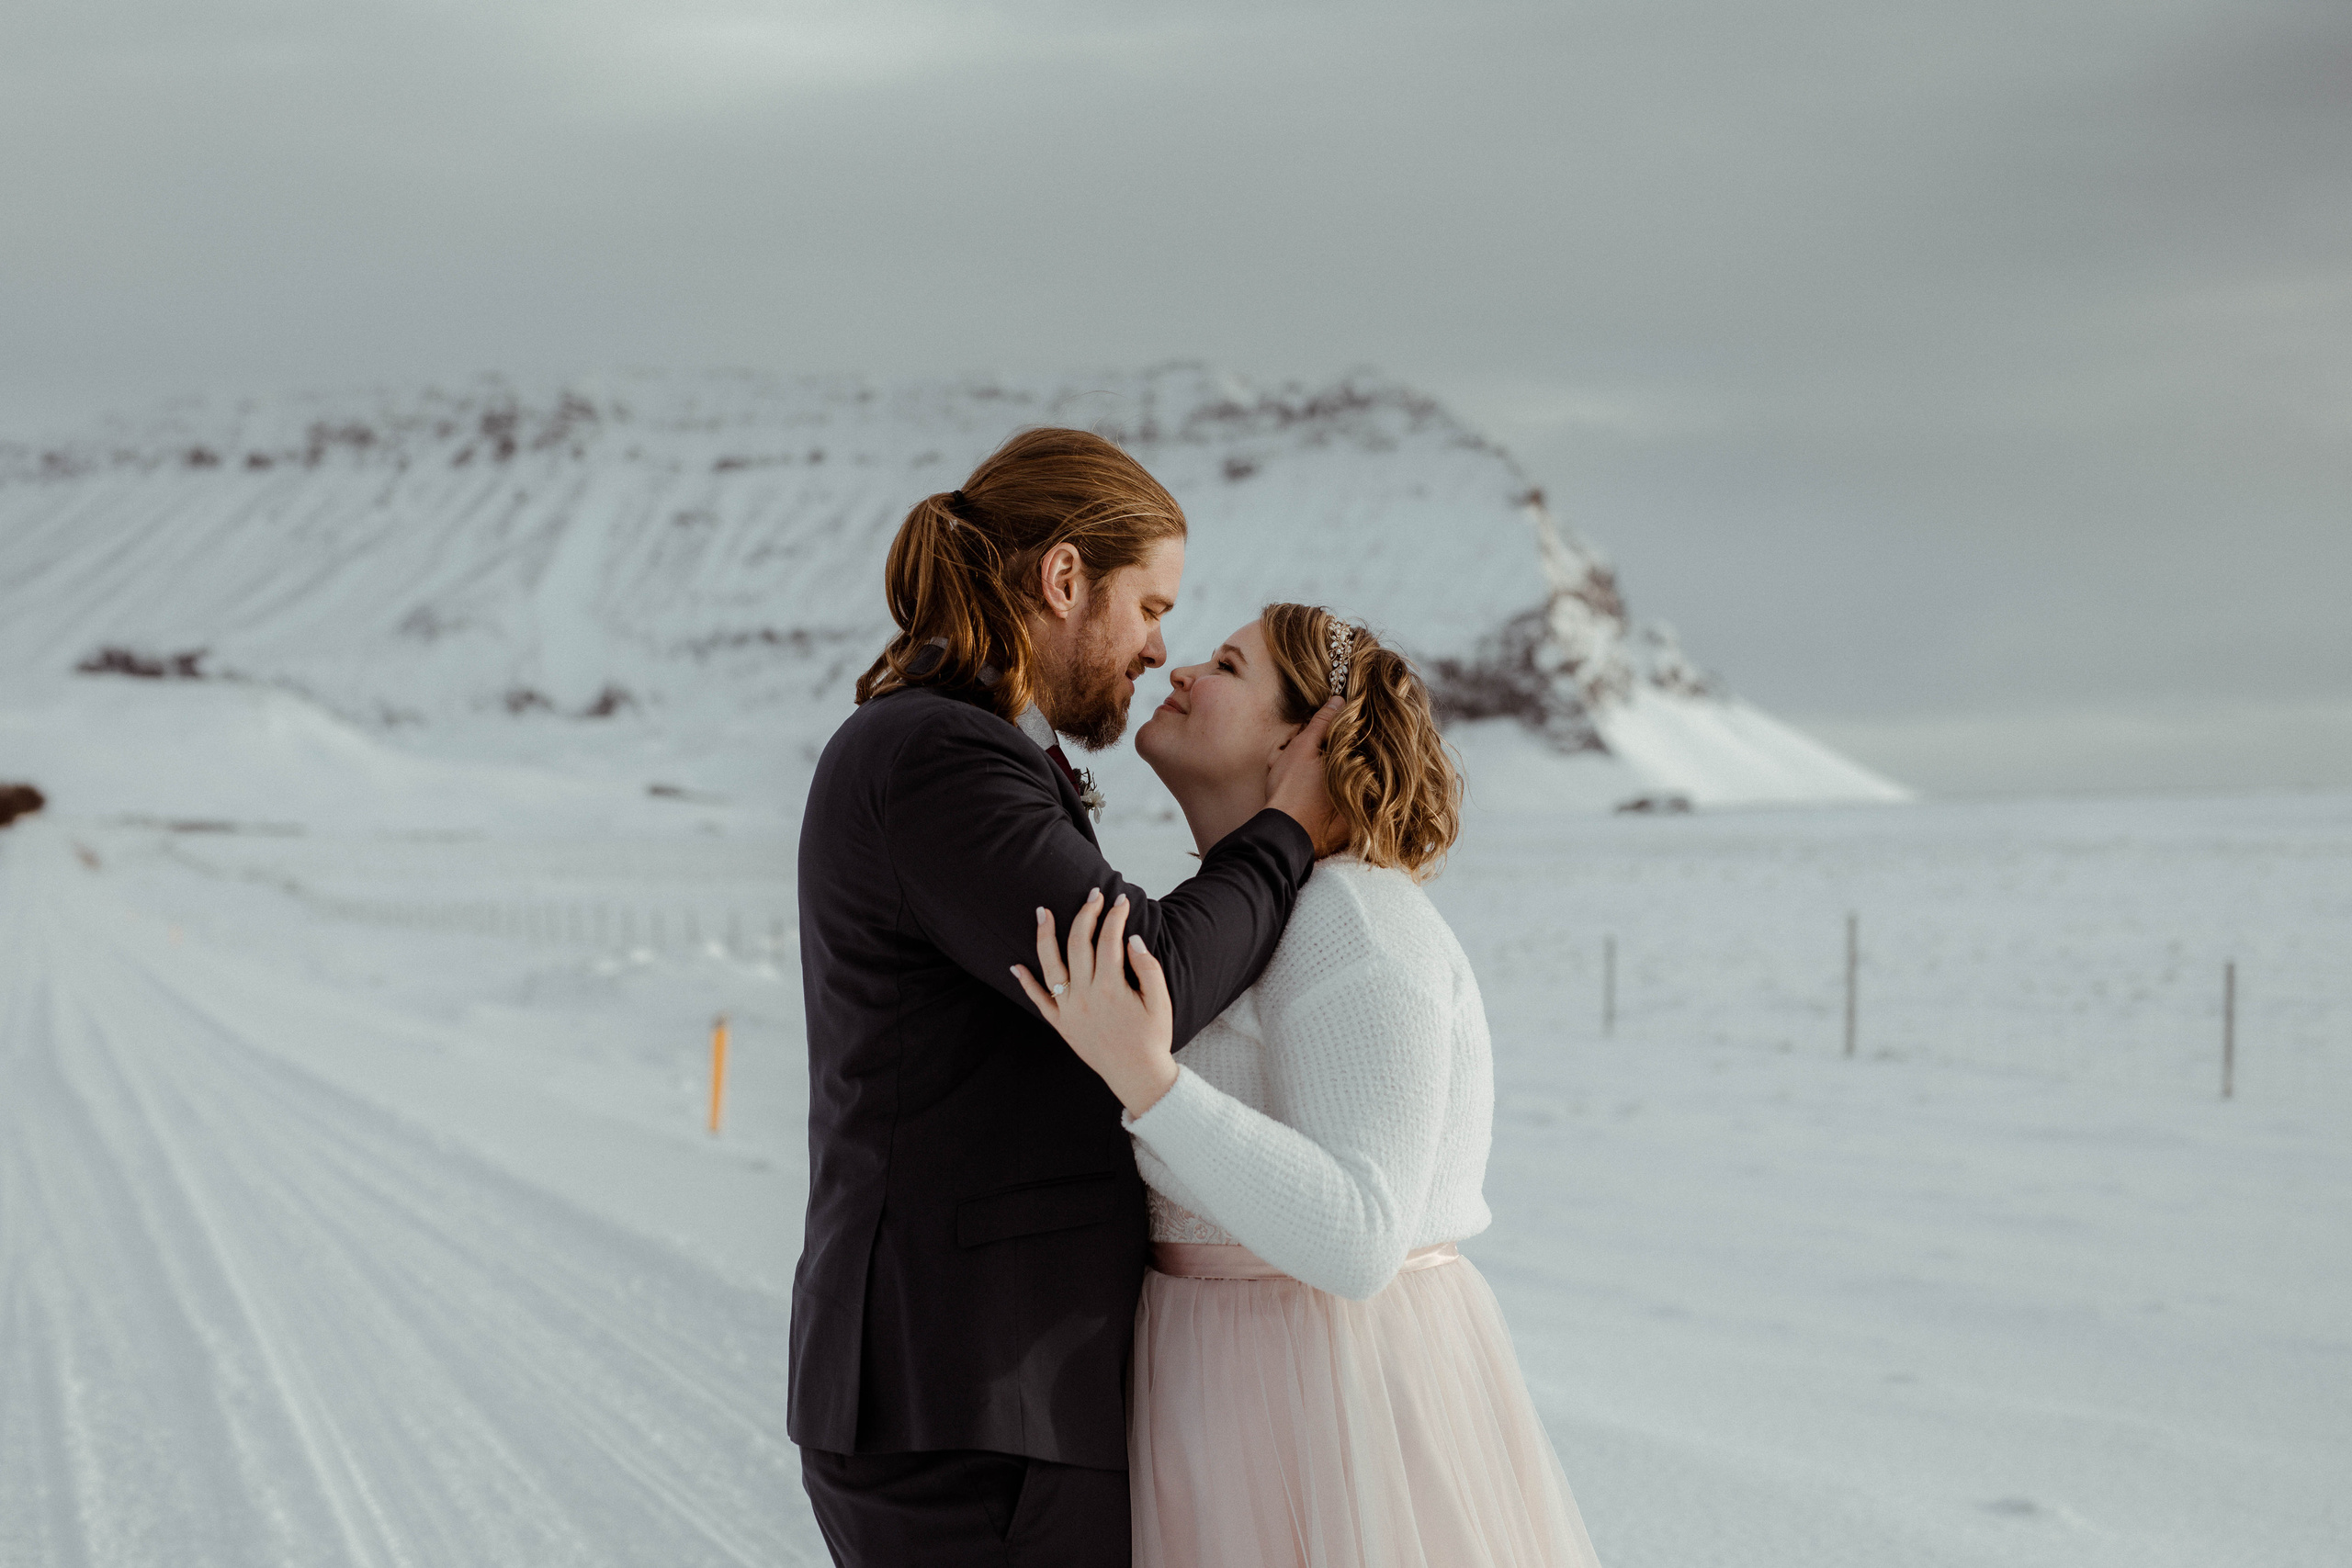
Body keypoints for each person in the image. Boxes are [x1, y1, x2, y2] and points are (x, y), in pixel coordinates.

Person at [792, 430, 1341, 1567]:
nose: (1158, 648)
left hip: (985, 1392)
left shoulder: (954, 744)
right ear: (1061, 580)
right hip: (970, 1402)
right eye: (1148, 606)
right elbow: (1147, 976)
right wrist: (1290, 830)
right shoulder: (939, 755)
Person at [1014, 604, 1604, 1568]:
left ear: (1305, 736)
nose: (1179, 671)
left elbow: (1359, 1233)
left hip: (1336, 1406)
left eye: (1227, 665)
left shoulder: (1351, 917)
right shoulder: (1241, 915)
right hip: (1221, 1393)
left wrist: (1149, 1082)